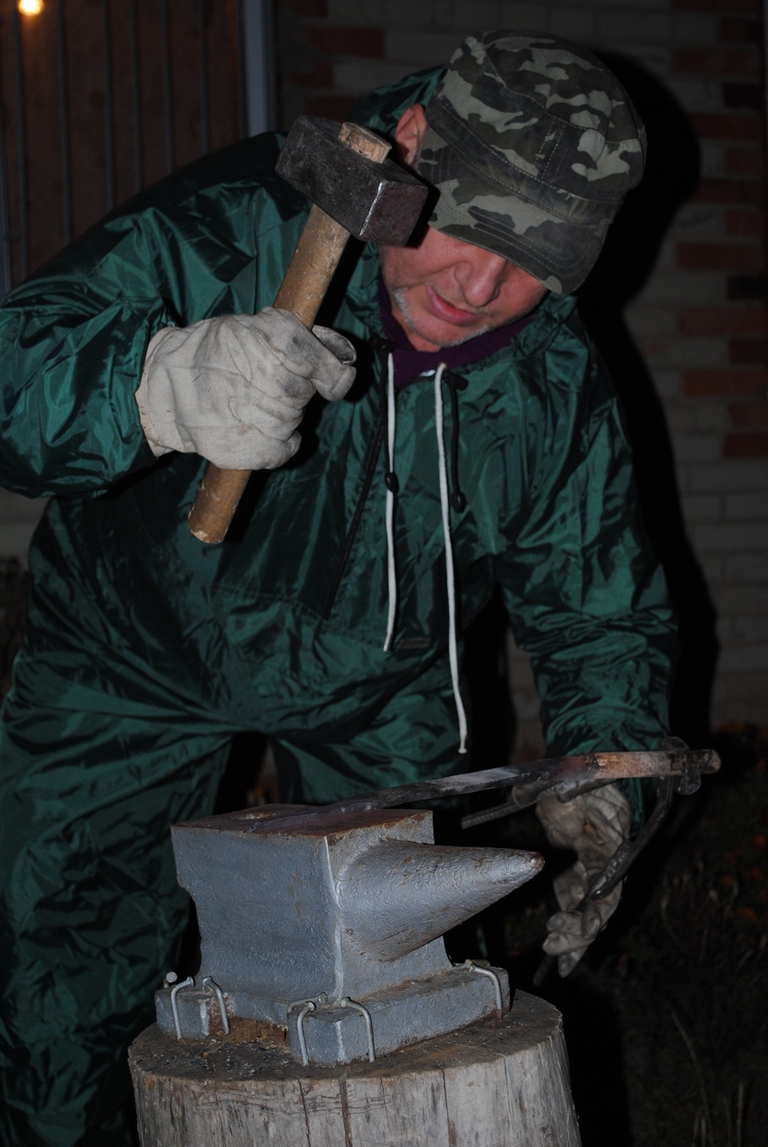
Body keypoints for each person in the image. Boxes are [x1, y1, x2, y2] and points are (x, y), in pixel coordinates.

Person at [0, 30, 676, 1147]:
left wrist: (609, 770)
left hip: (377, 684)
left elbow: (597, 603)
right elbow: (15, 375)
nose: (481, 288)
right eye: (470, 228)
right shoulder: (236, 227)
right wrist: (153, 388)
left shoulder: (549, 374)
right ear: (411, 143)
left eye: (535, 260)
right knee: (61, 985)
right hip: (129, 651)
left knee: (408, 991)